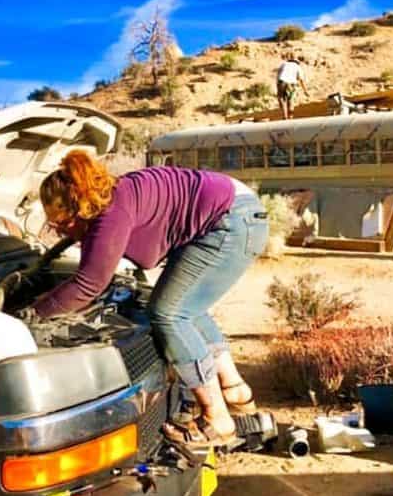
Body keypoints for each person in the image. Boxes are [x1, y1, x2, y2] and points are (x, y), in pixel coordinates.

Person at [31, 150, 269, 448]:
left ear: (77, 208)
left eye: (61, 223)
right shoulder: (115, 196)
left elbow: (89, 283)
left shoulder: (111, 213)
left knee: (168, 314)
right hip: (239, 212)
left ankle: (217, 420)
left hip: (230, 220)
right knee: (187, 307)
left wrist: (34, 315)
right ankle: (235, 389)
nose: (60, 231)